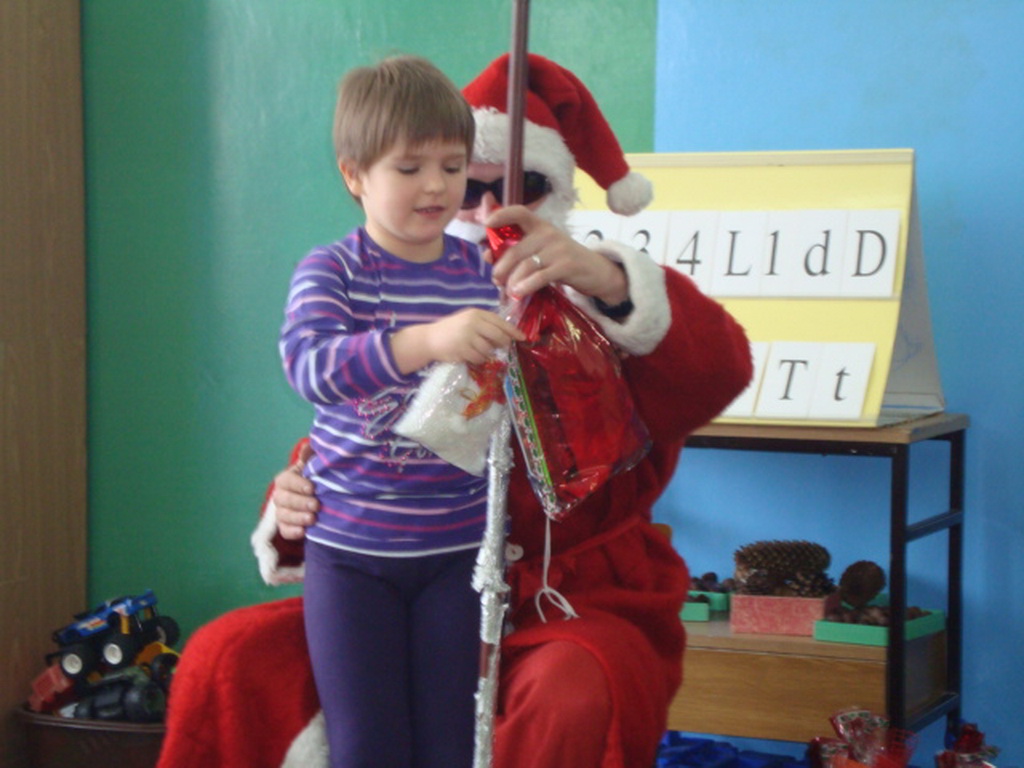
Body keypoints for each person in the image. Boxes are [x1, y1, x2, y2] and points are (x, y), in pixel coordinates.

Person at [157, 54, 753, 768]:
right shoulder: (378, 275)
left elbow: (717, 371)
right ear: (359, 176)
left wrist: (602, 276)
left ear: (557, 190)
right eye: (463, 183)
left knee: (552, 700)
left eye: (515, 185)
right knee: (230, 659)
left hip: (561, 594)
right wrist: (290, 497)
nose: (475, 207)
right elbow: (357, 414)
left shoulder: (580, 296)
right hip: (382, 558)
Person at [280, 54, 527, 768]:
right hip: (350, 559)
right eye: (410, 167)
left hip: (459, 558)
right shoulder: (332, 269)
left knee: (453, 744)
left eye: (453, 167)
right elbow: (310, 368)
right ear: (354, 175)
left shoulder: (484, 273)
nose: (437, 186)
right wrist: (427, 341)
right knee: (367, 748)